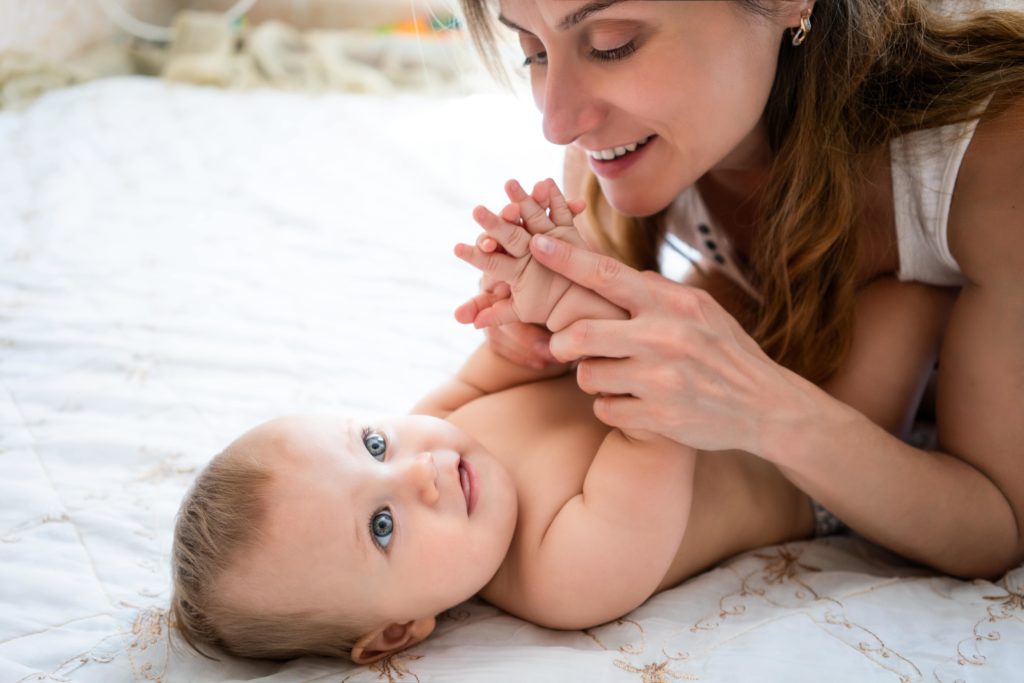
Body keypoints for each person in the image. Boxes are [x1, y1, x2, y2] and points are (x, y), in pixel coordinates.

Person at [169, 179, 949, 662]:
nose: (417, 471)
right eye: (381, 525)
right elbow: (656, 426)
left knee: (753, 252)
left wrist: (526, 299)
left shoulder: (438, 425)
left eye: (372, 444)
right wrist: (586, 302)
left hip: (721, 361)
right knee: (903, 294)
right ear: (399, 630)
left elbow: (513, 360)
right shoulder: (561, 576)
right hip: (800, 465)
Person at [456, 0, 1024, 578]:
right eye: (534, 53)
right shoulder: (617, 151)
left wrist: (763, 408)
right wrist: (542, 340)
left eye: (612, 43)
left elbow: (997, 529)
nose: (558, 123)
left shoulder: (995, 151)